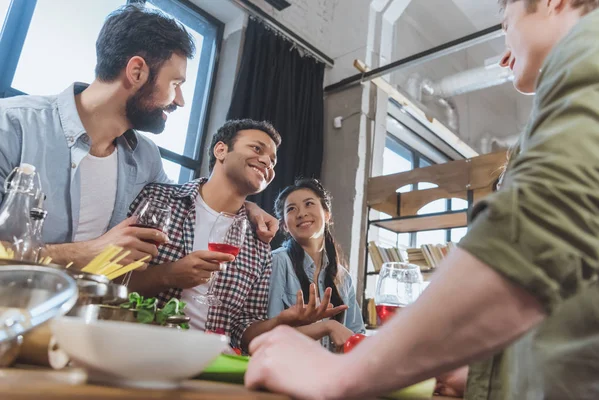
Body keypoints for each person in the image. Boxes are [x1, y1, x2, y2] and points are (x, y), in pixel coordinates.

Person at [244, 1, 599, 399]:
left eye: (505, 24)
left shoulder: (591, 47)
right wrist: (482, 375)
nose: (503, 53)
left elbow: (534, 243)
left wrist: (341, 375)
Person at [0, 4, 277, 268]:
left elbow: (191, 200)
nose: (179, 101)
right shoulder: (11, 125)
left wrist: (246, 205)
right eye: (176, 84)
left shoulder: (146, 157)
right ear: (136, 71)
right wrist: (90, 252)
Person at [127, 120, 347, 351]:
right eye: (257, 149)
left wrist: (281, 322)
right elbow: (114, 280)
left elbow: (243, 329)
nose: (267, 162)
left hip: (212, 365)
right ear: (221, 150)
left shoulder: (259, 243)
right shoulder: (160, 200)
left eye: (273, 161)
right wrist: (168, 275)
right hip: (142, 350)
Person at [268, 178, 365, 349]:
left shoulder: (344, 278)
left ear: (327, 215)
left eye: (309, 204)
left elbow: (356, 334)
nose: (301, 213)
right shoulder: (277, 262)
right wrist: (328, 327)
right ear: (284, 225)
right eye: (291, 209)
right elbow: (270, 334)